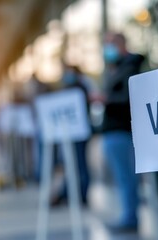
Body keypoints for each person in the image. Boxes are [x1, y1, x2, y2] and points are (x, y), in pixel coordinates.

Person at [101, 33, 144, 232]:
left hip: (121, 130)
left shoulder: (130, 67)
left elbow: (127, 98)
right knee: (123, 177)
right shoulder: (118, 68)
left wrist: (105, 98)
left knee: (126, 177)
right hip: (113, 131)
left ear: (119, 45)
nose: (106, 49)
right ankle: (128, 216)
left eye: (109, 44)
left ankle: (130, 218)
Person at [51, 65, 92, 207]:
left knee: (80, 164)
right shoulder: (68, 89)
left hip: (80, 133)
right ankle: (69, 193)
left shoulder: (80, 88)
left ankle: (82, 194)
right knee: (71, 164)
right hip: (70, 134)